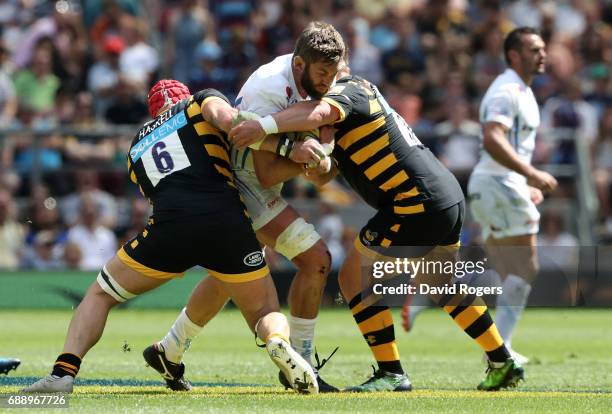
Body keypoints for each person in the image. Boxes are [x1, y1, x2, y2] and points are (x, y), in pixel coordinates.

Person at [229, 66, 523, 392]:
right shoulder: (345, 109)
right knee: (441, 282)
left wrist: (263, 127)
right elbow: (325, 171)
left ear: (344, 68)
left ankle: (391, 373)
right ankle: (502, 360)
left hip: (413, 200)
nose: (324, 79)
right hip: (443, 195)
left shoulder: (351, 89)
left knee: (353, 277)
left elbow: (319, 111)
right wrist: (318, 154)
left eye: (331, 68)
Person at [21, 80, 318, 394]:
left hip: (169, 229)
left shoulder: (135, 147)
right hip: (226, 223)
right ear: (184, 96)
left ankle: (62, 374)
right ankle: (276, 340)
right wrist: (289, 149)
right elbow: (232, 123)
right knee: (264, 312)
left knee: (100, 294)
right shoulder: (199, 103)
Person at [145, 21, 345, 393]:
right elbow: (267, 172)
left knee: (230, 274)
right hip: (245, 179)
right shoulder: (270, 88)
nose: (330, 83)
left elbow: (321, 176)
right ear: (299, 65)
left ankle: (169, 348)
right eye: (323, 74)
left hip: (246, 181)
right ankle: (300, 363)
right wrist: (304, 155)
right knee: (315, 258)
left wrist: (320, 157)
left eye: (335, 73)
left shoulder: (319, 71)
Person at [464, 27, 558, 364]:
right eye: (534, 49)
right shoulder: (507, 90)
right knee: (526, 266)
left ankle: (433, 283)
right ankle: (500, 351)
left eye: (543, 48)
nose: (542, 54)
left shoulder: (524, 91)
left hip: (497, 183)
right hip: (498, 183)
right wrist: (530, 174)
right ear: (514, 55)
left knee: (506, 272)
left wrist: (526, 181)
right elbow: (492, 138)